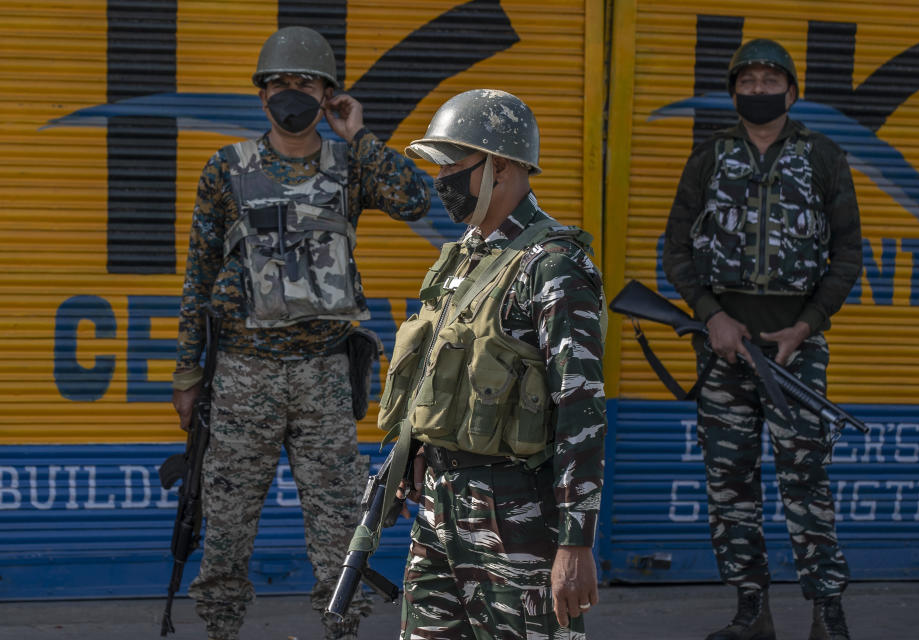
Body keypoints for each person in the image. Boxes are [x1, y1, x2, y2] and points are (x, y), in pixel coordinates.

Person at [170, 26, 430, 640]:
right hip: (241, 375)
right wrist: (187, 373)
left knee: (340, 526)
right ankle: (218, 629)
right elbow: (197, 274)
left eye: (305, 82)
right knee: (227, 525)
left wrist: (359, 134)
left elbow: (416, 199)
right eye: (280, 82)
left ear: (328, 92)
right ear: (262, 95)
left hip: (323, 375)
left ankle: (343, 628)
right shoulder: (227, 169)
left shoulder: (349, 164)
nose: (292, 92)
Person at [379, 89, 607, 639]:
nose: (442, 179)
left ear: (501, 165)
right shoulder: (463, 259)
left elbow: (580, 409)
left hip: (516, 517)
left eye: (455, 165)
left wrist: (575, 543)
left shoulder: (554, 266)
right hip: (440, 507)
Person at [662, 38, 863, 640]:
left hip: (796, 351)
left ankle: (827, 611)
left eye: (768, 81)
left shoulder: (824, 156)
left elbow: (848, 252)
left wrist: (807, 325)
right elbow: (675, 250)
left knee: (805, 480)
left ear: (792, 91)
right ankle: (752, 610)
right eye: (746, 83)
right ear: (734, 93)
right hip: (724, 348)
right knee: (730, 486)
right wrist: (710, 316)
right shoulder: (709, 157)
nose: (757, 91)